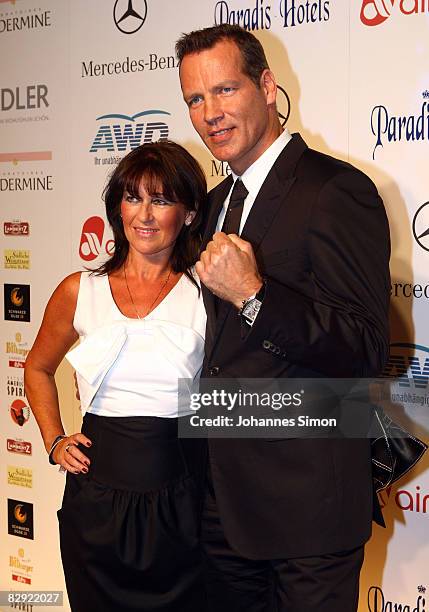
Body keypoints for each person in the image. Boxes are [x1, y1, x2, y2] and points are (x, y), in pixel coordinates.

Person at [176, 24, 391, 612]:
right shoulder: (218, 204)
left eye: (224, 90)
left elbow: (365, 349)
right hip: (223, 505)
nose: (210, 113)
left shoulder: (334, 190)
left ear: (267, 87)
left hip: (309, 511)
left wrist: (254, 296)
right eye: (195, 99)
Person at [24, 140, 208, 612]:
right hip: (97, 504)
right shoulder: (78, 290)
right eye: (133, 197)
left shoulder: (205, 294)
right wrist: (54, 441)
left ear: (187, 214)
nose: (144, 215)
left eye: (162, 199)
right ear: (117, 208)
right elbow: (39, 367)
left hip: (183, 500)